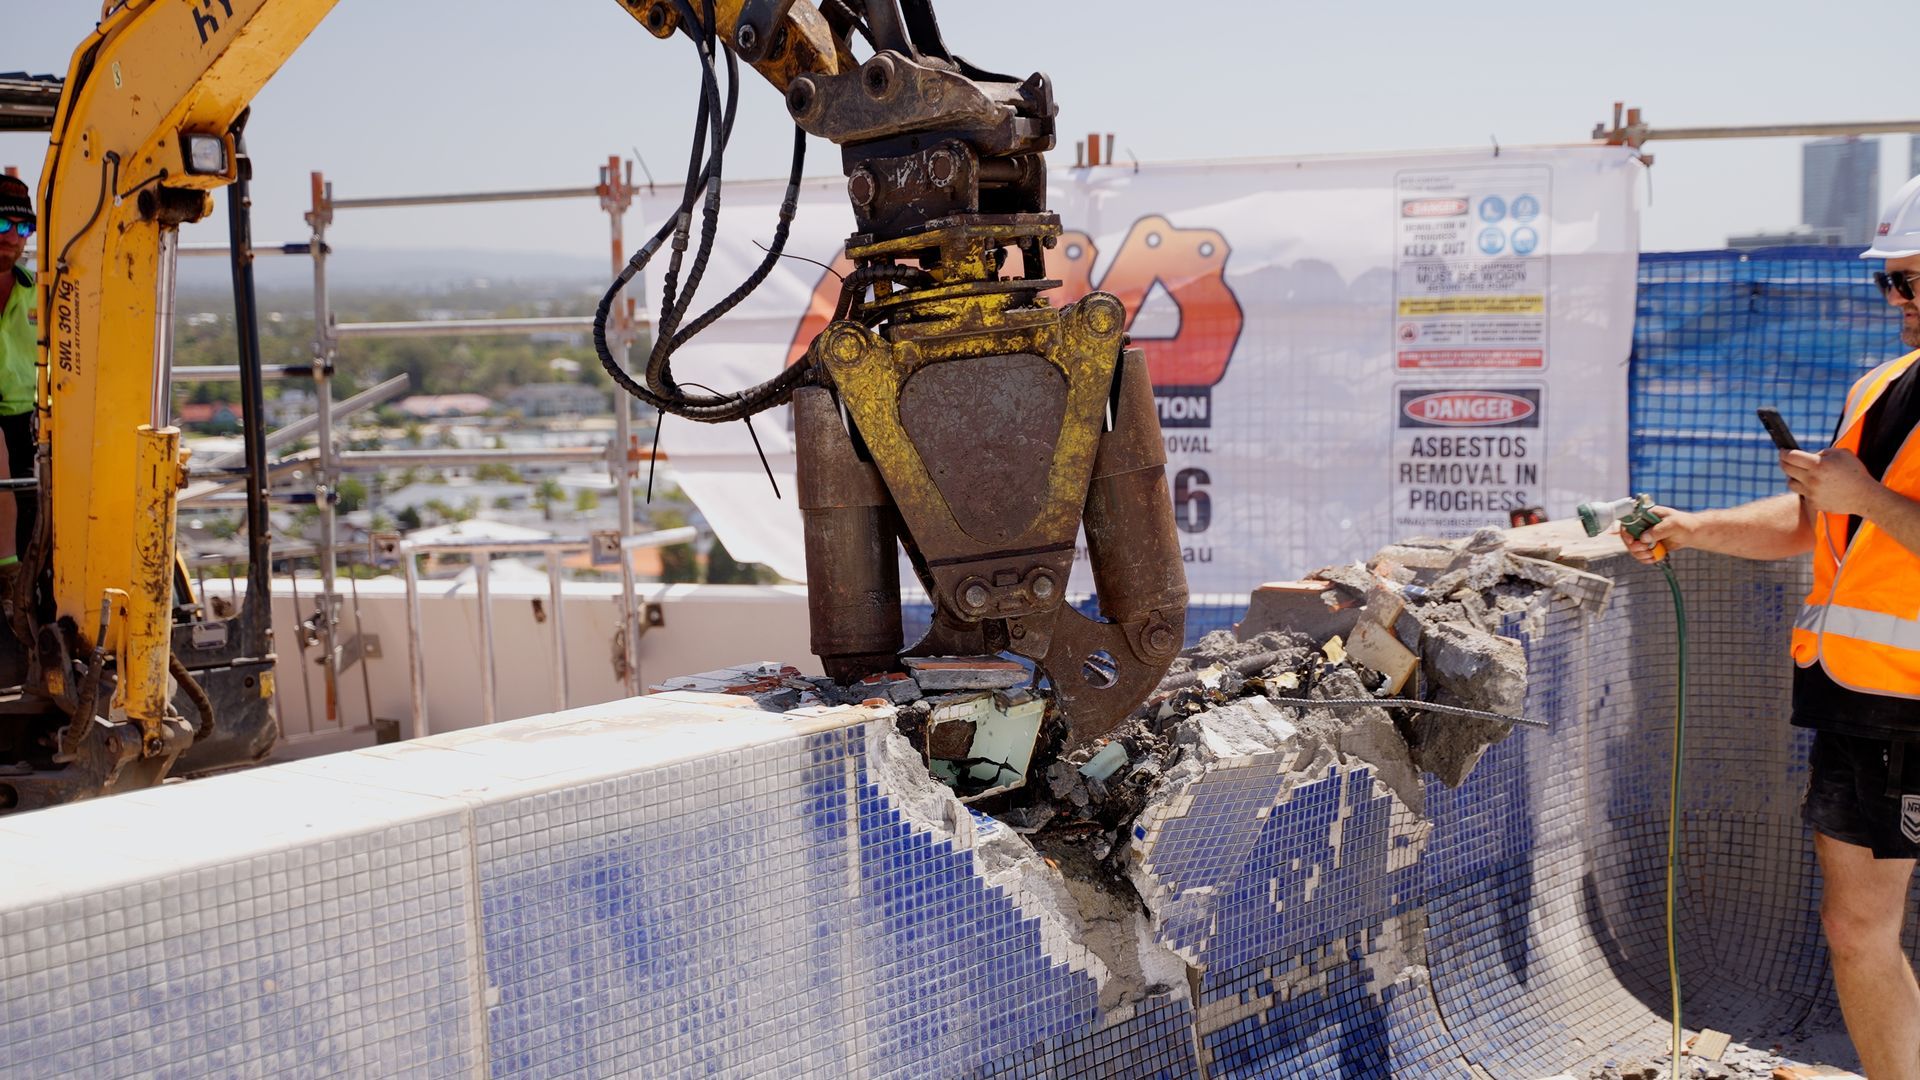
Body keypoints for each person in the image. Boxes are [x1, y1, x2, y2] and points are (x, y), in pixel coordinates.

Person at [1625, 173, 1920, 1079]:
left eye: (1912, 280)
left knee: (1860, 928)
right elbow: (1814, 523)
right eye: (1889, 282)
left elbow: (1862, 505)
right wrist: (1691, 526)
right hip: (1868, 705)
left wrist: (1863, 494)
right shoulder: (1884, 386)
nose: (1897, 300)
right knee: (1855, 928)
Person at [0, 175, 36, 586]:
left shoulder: (39, 293)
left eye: (21, 227)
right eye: (1, 225)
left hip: (27, 418)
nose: (11, 236)